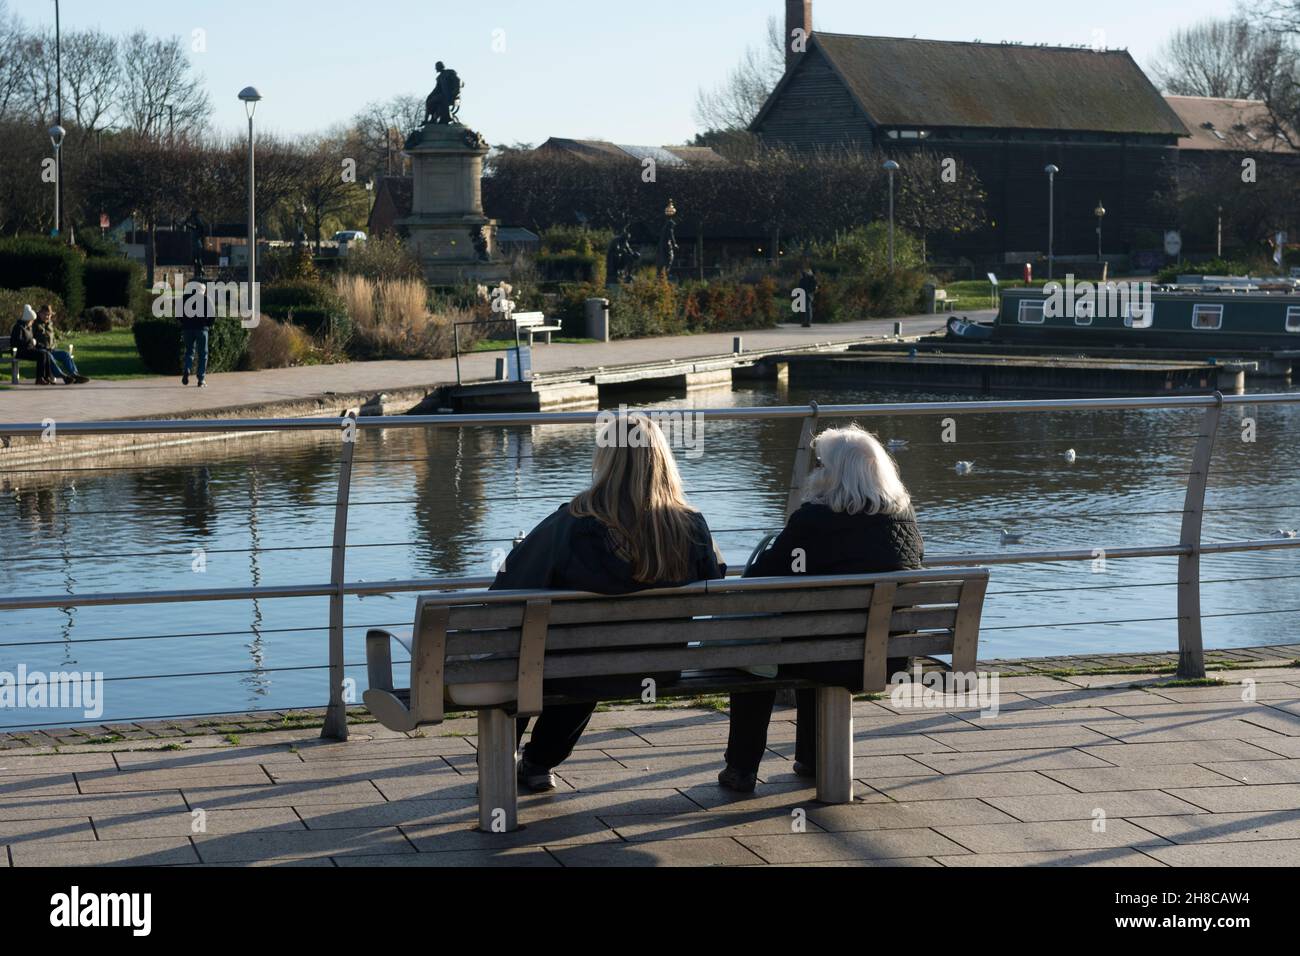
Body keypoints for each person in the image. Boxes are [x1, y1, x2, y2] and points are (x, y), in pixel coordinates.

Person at [492, 411, 726, 792]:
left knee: (530, 655)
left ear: (606, 460)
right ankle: (539, 762)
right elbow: (712, 583)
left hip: (583, 666)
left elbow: (508, 590)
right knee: (592, 659)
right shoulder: (691, 526)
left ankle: (502, 758)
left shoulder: (572, 522)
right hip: (659, 666)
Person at [719, 424, 924, 793]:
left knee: (758, 654)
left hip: (823, 655)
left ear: (836, 475)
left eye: (823, 467)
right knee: (821, 640)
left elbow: (761, 583)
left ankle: (742, 767)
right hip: (889, 657)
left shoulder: (813, 522)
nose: (817, 473)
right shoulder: (904, 521)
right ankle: (812, 758)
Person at [33, 304, 89, 383]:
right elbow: (30, 338)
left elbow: (52, 337)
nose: (48, 317)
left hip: (52, 349)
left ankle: (74, 374)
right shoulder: (34, 323)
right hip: (41, 351)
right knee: (49, 356)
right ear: (40, 313)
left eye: (49, 315)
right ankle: (63, 376)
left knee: (65, 354)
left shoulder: (49, 324)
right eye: (46, 314)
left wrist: (54, 343)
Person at [9, 304, 57, 385]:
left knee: (45, 353)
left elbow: (33, 341)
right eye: (32, 320)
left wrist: (43, 346)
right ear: (28, 320)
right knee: (41, 354)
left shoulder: (28, 328)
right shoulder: (18, 327)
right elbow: (17, 342)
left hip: (29, 350)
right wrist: (31, 342)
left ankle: (48, 376)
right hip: (20, 352)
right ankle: (39, 378)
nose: (33, 322)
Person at [180, 281, 213, 387]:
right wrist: (207, 324)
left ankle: (187, 369)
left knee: (189, 351)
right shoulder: (205, 299)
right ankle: (201, 379)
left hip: (187, 329)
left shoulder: (184, 299)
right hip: (201, 329)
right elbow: (212, 316)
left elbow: (178, 315)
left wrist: (184, 323)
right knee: (203, 354)